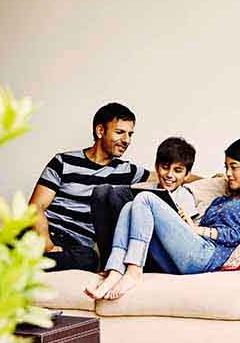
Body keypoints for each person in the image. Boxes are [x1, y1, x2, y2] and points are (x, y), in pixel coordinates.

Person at [86, 137, 240, 300]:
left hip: (207, 257)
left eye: (234, 167)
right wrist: (188, 225)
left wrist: (198, 230)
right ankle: (114, 271)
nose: (227, 174)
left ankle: (134, 271)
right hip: (191, 250)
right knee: (129, 206)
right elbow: (201, 228)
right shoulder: (221, 199)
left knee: (145, 198)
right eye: (226, 167)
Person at [28, 102, 149, 272]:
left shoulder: (126, 170)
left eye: (130, 134)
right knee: (4, 251)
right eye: (120, 132)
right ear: (100, 131)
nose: (127, 140)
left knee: (89, 260)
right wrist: (47, 245)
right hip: (44, 235)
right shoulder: (63, 161)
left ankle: (10, 264)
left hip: (77, 246)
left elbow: (166, 174)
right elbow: (35, 207)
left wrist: (193, 179)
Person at [84, 136, 199, 297]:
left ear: (187, 175)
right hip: (134, 247)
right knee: (102, 192)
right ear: (156, 167)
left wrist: (182, 220)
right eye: (165, 168)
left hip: (157, 254)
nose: (170, 175)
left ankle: (123, 270)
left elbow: (188, 239)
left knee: (130, 199)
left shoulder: (185, 197)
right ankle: (112, 268)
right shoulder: (145, 189)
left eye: (178, 170)